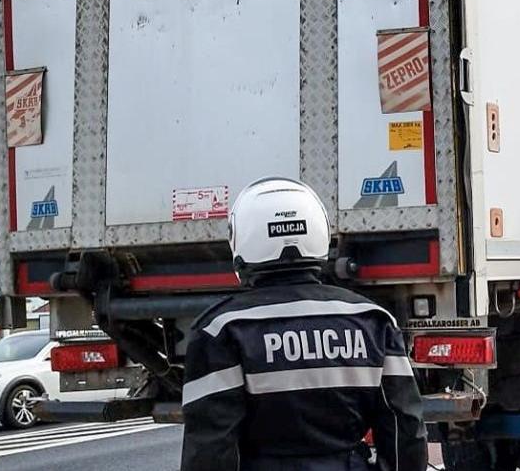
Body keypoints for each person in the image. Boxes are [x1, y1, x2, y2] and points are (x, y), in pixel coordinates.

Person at [180, 177, 427, 471]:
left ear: (241, 239)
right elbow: (405, 429)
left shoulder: (220, 330)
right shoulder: (373, 320)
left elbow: (210, 449)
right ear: (319, 232)